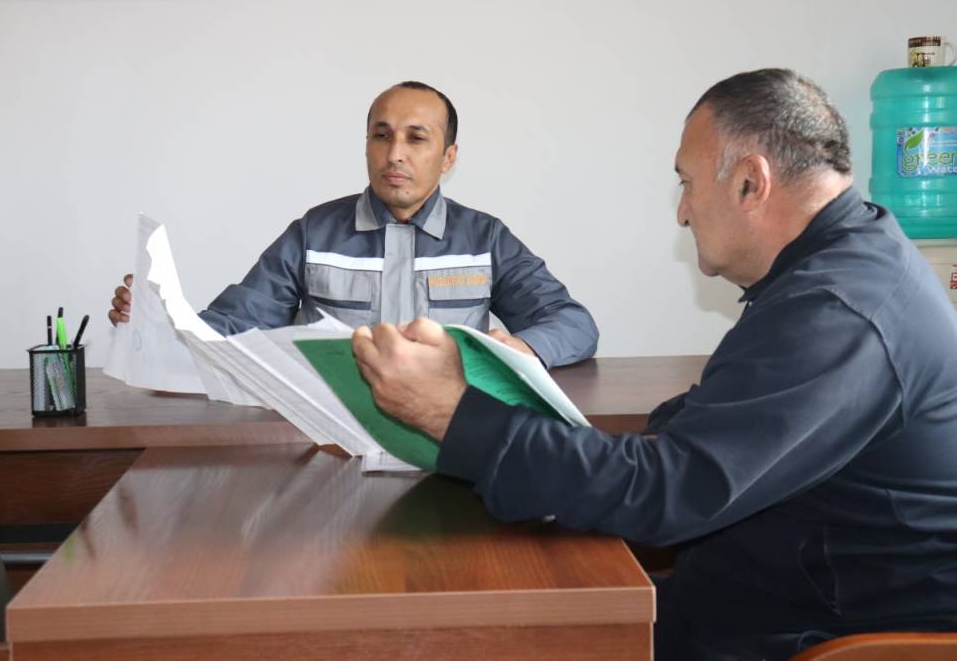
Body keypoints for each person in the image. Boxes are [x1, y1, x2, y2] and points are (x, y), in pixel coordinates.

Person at [351, 69, 957, 660]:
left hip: (797, 634)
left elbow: (666, 492)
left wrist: (452, 412)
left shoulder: (838, 310)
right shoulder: (838, 269)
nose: (683, 213)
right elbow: (699, 435)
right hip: (753, 600)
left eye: (687, 184)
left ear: (751, 182)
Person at [108, 81, 599, 368]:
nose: (395, 154)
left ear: (448, 157)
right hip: (332, 436)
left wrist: (520, 348)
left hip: (450, 432)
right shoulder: (313, 233)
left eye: (416, 138)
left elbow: (574, 325)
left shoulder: (485, 239)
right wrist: (160, 321)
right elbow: (236, 324)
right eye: (381, 136)